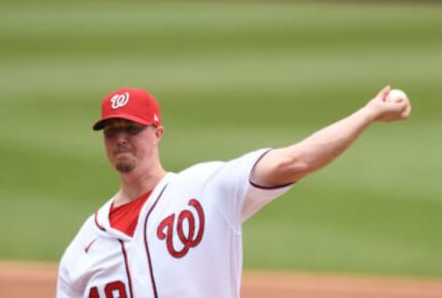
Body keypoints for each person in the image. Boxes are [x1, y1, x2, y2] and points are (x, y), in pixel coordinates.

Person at [57, 86, 411, 298]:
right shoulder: (84, 246)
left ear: (157, 132)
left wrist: (368, 114)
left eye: (131, 128)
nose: (120, 138)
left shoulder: (206, 188)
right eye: (111, 130)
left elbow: (295, 161)